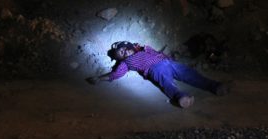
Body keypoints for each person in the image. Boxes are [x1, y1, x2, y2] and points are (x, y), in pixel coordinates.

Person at [87, 41, 231, 108]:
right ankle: (181, 97)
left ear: (127, 46)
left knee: (191, 74)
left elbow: (159, 53)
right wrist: (99, 78)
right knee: (166, 83)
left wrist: (168, 56)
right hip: (154, 69)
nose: (123, 53)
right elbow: (115, 74)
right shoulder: (126, 63)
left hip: (168, 62)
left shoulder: (142, 48)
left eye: (123, 50)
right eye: (121, 55)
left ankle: (215, 86)